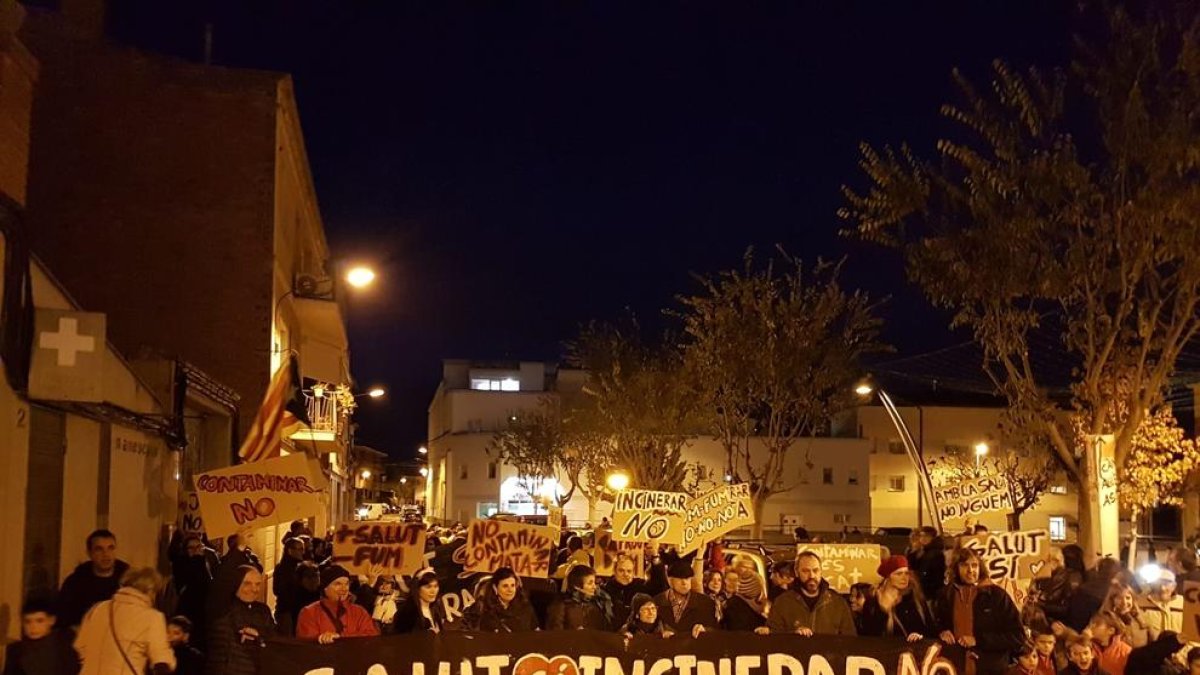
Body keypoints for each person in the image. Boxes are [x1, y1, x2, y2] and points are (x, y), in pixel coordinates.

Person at [935, 547, 1023, 675]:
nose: (970, 570)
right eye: (964, 565)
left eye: (974, 565)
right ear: (956, 568)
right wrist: (942, 631)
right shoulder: (946, 595)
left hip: (990, 669)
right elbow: (936, 624)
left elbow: (1018, 636)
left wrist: (979, 640)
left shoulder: (996, 595)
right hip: (955, 667)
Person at [75, 567, 175, 675]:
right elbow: (161, 661)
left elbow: (81, 646)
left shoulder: (97, 609)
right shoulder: (152, 617)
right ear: (150, 590)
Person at [204, 565, 275, 675]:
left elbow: (272, 642)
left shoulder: (263, 611)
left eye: (258, 584)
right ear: (235, 584)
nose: (254, 589)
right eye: (247, 584)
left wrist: (259, 638)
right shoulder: (223, 610)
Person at [767, 551, 856, 637]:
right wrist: (793, 635)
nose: (812, 576)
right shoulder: (782, 602)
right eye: (806, 571)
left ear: (821, 571)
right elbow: (773, 636)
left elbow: (850, 639)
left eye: (816, 570)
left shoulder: (838, 603)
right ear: (797, 572)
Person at [57, 530, 130, 630]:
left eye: (110, 548)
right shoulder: (75, 583)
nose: (106, 554)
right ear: (89, 553)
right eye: (99, 549)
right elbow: (64, 620)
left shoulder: (130, 581)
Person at [296, 565, 380, 643]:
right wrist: (320, 638)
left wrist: (341, 637)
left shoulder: (359, 611)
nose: (344, 588)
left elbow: (372, 636)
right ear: (325, 588)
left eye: (347, 584)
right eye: (338, 584)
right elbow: (305, 643)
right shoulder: (309, 612)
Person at [858, 555, 932, 641]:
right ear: (888, 576)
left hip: (911, 649)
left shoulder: (913, 597)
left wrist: (919, 635)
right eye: (899, 574)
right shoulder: (873, 601)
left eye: (906, 573)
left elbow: (928, 627)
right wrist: (884, 610)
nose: (904, 578)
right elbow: (868, 633)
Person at [3, 597, 79, 675]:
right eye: (28, 621)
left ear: (51, 620)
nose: (33, 627)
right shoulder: (15, 650)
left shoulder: (65, 645)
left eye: (39, 621)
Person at [459, 567, 540, 632]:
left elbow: (536, 632)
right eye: (505, 586)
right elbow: (465, 632)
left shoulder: (525, 607)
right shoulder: (480, 607)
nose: (510, 590)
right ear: (495, 588)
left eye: (512, 585)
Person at [653, 561, 717, 638]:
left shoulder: (705, 602)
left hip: (694, 647)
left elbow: (716, 630)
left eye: (687, 578)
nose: (684, 583)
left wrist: (705, 630)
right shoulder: (656, 602)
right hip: (665, 647)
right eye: (680, 579)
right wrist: (659, 634)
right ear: (670, 580)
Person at [172, 535, 214, 643]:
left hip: (206, 615)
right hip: (190, 613)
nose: (195, 550)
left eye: (198, 547)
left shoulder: (209, 563)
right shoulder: (182, 565)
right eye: (191, 548)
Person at [547, 565, 615, 630]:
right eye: (590, 583)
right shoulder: (561, 605)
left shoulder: (598, 604)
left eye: (594, 582)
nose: (594, 587)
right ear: (576, 586)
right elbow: (555, 633)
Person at [1068, 558, 1121, 631]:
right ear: (1116, 574)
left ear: (1098, 570)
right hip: (1102, 632)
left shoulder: (1082, 589)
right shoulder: (1116, 591)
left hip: (1081, 630)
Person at [723, 557, 768, 632]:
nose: (747, 569)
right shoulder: (735, 605)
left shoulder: (759, 604)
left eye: (750, 567)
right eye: (744, 567)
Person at [272, 537, 306, 634]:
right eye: (300, 549)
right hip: (286, 612)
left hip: (297, 610)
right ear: (290, 551)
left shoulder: (301, 567)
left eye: (303, 549)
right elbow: (277, 590)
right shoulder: (283, 569)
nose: (302, 552)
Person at [1103, 583, 1151, 648]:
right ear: (1112, 600)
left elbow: (1153, 641)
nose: (1124, 602)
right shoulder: (1105, 621)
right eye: (1119, 598)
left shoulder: (1143, 617)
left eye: (1128, 598)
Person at [1139, 570, 1183, 638]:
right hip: (1151, 647)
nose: (1162, 588)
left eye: (1166, 584)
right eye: (1158, 584)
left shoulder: (1183, 604)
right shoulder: (1140, 602)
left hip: (1181, 647)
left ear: (1174, 586)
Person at [603, 556, 647, 623]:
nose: (625, 574)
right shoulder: (606, 589)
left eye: (629, 571)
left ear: (633, 573)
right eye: (621, 570)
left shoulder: (640, 586)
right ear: (614, 571)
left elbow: (660, 586)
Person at [907, 526, 947, 599]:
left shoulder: (936, 553)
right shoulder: (923, 551)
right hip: (923, 590)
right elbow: (912, 566)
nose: (923, 538)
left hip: (931, 592)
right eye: (922, 535)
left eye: (927, 536)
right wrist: (914, 551)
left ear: (932, 538)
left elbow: (938, 576)